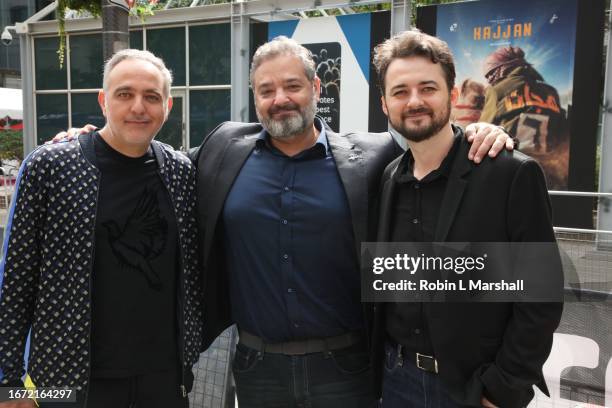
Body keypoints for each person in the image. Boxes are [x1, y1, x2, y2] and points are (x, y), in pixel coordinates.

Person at [51, 37, 513, 408]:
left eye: (292, 86)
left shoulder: (374, 156)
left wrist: (474, 131)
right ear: (254, 97)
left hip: (348, 371)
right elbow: (143, 162)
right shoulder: (222, 150)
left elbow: (430, 149)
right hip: (256, 371)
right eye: (266, 90)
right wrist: (88, 141)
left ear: (316, 88)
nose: (280, 99)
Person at [0, 49, 203, 408]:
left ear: (167, 106)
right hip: (66, 380)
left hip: (165, 377)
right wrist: (7, 382)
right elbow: (16, 279)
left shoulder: (180, 172)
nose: (138, 107)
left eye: (151, 97)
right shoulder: (51, 167)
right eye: (125, 94)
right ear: (103, 101)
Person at [371, 29, 563, 408]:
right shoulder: (388, 177)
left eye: (428, 88)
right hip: (394, 381)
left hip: (471, 387)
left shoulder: (509, 174)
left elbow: (540, 295)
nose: (414, 102)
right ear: (384, 104)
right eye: (400, 91)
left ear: (453, 95)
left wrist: (502, 387)